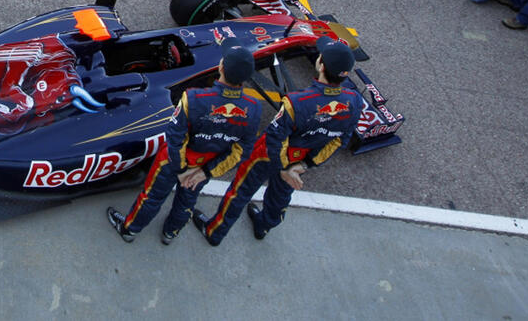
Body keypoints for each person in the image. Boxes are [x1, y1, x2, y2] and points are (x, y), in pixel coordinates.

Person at [195, 37, 362, 246]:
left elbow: (275, 138)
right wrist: (302, 166)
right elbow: (339, 141)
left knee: (240, 191)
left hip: (268, 154)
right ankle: (264, 226)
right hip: (301, 159)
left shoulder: (296, 102)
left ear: (321, 64)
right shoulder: (355, 101)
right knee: (280, 198)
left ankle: (215, 231)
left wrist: (284, 167)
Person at [107, 42, 260, 244]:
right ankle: (171, 234)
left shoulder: (194, 98)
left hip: (174, 161)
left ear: (221, 67)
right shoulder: (254, 108)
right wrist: (204, 172)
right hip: (206, 165)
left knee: (152, 197)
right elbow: (241, 151)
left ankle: (130, 230)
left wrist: (181, 170)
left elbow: (175, 137)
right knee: (186, 202)